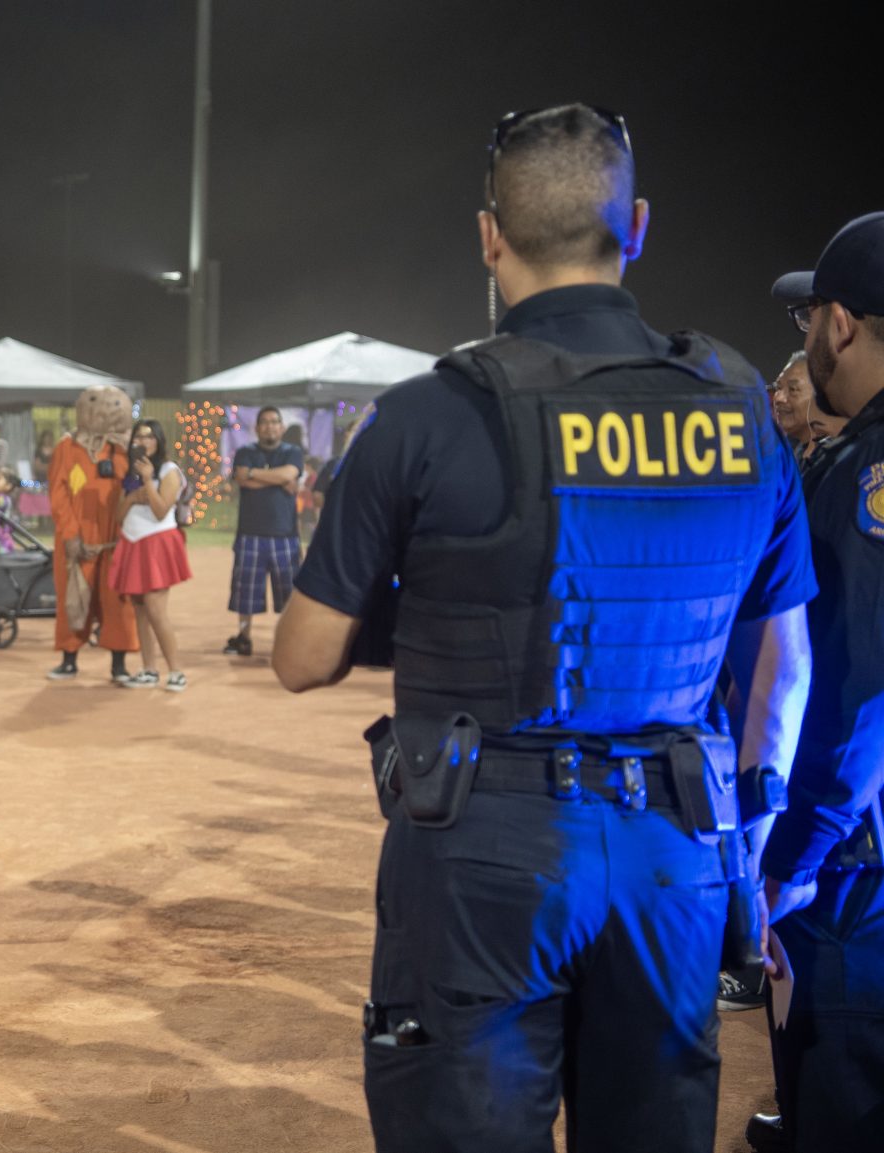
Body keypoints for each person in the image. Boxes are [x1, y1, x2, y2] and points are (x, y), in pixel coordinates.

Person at [272, 104, 814, 1152]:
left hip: (486, 853)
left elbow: (301, 656)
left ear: (489, 235)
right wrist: (746, 843)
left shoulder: (426, 415)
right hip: (677, 852)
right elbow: (783, 666)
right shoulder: (742, 406)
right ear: (638, 225)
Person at [755, 210, 884, 1151]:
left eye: (808, 322)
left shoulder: (866, 475)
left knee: (838, 1102)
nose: (803, 344)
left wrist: (794, 858)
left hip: (851, 863)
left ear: (839, 321)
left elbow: (861, 692)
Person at [47, 386, 139, 683]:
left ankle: (119, 665)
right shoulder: (68, 447)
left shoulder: (127, 448)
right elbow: (59, 493)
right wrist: (71, 535)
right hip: (77, 539)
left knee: (118, 601)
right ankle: (69, 659)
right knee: (74, 598)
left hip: (116, 538)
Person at [107, 419, 191, 691]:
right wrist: (131, 497)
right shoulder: (129, 473)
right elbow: (119, 516)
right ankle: (149, 670)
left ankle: (176, 672)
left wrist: (147, 481)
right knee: (140, 610)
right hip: (132, 543)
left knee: (156, 610)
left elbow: (160, 510)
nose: (143, 442)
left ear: (159, 440)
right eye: (139, 437)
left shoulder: (169, 470)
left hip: (156, 544)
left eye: (149, 437)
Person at [225, 407, 304, 657]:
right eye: (265, 422)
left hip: (285, 535)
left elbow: (290, 473)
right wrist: (279, 479)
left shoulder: (293, 452)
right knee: (245, 591)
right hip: (251, 532)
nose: (270, 426)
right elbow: (241, 477)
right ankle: (244, 637)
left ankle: (289, 640)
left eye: (274, 422)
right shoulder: (246, 452)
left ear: (281, 427)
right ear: (257, 428)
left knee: (289, 593)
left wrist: (255, 475)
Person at [768, 350, 847, 464]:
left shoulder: (847, 456)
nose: (778, 398)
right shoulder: (784, 454)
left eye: (793, 389)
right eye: (778, 388)